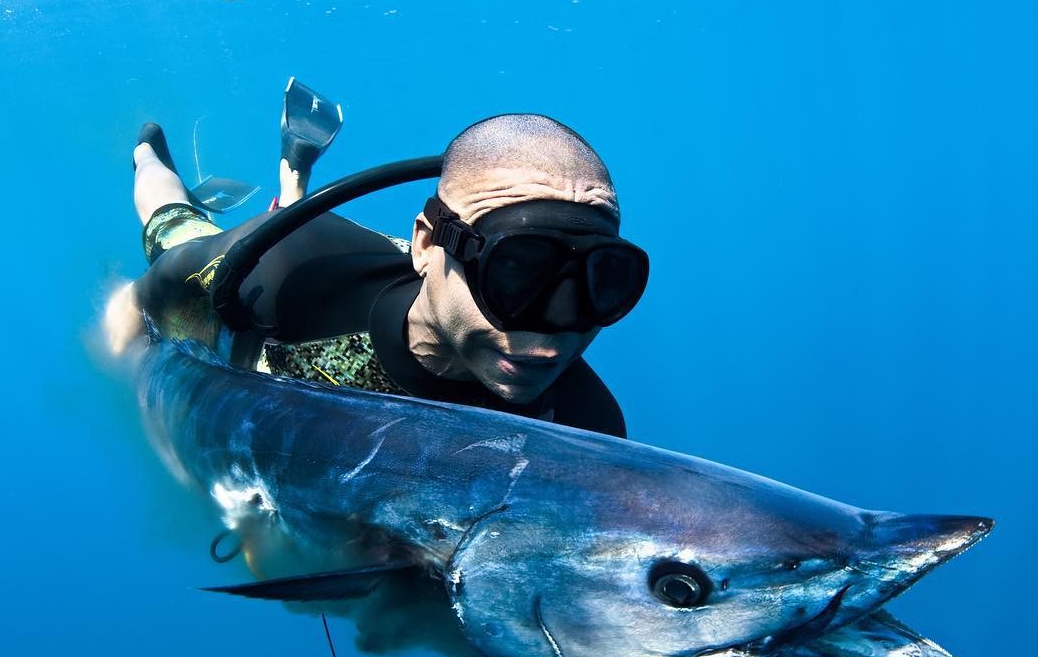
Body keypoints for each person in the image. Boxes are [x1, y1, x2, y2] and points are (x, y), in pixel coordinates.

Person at [105, 80, 649, 439]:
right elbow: (135, 302)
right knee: (170, 226)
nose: (551, 338)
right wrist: (127, 373)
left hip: (398, 266)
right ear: (426, 243)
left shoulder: (589, 429)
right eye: (515, 275)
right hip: (309, 254)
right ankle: (150, 153)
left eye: (600, 284)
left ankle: (296, 186)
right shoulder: (283, 269)